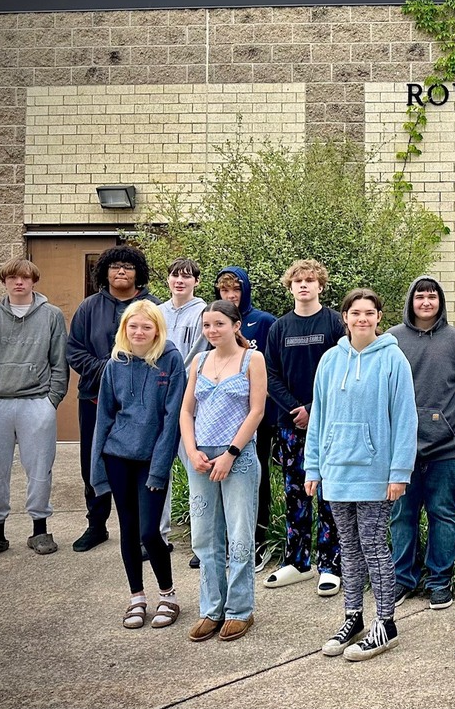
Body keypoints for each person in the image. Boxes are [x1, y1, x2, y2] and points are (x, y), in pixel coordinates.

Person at [305, 289, 417, 661]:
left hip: (375, 473)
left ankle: (386, 623)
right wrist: (313, 466)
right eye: (356, 313)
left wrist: (399, 471)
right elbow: (318, 417)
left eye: (370, 312)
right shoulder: (330, 361)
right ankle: (353, 617)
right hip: (337, 472)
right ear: (345, 318)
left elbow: (404, 418)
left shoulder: (393, 359)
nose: (362, 319)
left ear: (379, 317)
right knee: (348, 549)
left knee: (373, 546)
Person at [89, 300, 186, 630]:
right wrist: (97, 470)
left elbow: (172, 420)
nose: (139, 332)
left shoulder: (170, 361)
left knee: (150, 531)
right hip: (117, 456)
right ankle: (137, 597)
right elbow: (104, 416)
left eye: (146, 326)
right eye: (133, 326)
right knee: (128, 530)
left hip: (151, 459)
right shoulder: (115, 364)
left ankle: (168, 595)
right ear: (124, 329)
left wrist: (160, 467)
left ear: (157, 329)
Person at [388, 276, 455, 610]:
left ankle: (440, 581)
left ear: (441, 302)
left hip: (446, 447)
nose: (426, 302)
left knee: (443, 514)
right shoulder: (392, 340)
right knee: (402, 515)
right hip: (403, 448)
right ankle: (403, 579)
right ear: (410, 301)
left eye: (432, 297)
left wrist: (442, 417)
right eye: (420, 297)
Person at [180, 300, 267, 643]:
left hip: (238, 458)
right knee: (204, 535)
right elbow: (187, 411)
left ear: (236, 325)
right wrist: (191, 451)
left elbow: (257, 411)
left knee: (240, 535)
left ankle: (240, 610)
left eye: (218, 324)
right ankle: (211, 609)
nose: (212, 331)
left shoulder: (252, 360)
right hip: (200, 457)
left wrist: (231, 453)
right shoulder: (199, 361)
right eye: (207, 326)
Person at [0, 258, 68, 561]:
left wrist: (51, 400)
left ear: (33, 282)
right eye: (12, 278)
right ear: (4, 281)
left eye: (25, 278)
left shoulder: (52, 316)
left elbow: (59, 362)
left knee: (40, 470)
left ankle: (39, 529)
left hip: (36, 402)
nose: (19, 283)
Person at [67, 246, 159, 553]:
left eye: (128, 267)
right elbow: (75, 351)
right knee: (93, 461)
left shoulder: (152, 306)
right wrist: (109, 369)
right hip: (94, 399)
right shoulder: (89, 307)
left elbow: (162, 349)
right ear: (104, 271)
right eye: (115, 266)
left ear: (138, 273)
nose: (121, 271)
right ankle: (96, 525)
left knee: (140, 464)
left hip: (140, 404)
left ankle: (144, 531)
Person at [263, 260, 345, 592]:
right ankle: (297, 562)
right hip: (289, 424)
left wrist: (313, 409)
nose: (304, 285)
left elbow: (343, 370)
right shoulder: (279, 328)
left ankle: (331, 563)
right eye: (298, 280)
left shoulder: (336, 323)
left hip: (328, 423)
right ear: (290, 286)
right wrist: (296, 409)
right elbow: (270, 374)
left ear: (321, 286)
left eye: (310, 280)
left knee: (327, 493)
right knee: (296, 492)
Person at [214, 266, 277, 570]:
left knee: (257, 480)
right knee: (225, 481)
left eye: (235, 290)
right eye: (225, 291)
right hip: (226, 420)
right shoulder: (217, 324)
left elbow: (273, 367)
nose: (230, 296)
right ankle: (226, 541)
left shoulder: (263, 322)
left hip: (258, 417)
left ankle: (259, 540)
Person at [157, 257, 207, 555]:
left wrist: (176, 384)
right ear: (168, 280)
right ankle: (159, 538)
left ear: (196, 282)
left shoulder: (203, 312)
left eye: (186, 276)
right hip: (159, 404)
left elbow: (197, 358)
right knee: (159, 472)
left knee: (196, 472)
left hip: (190, 404)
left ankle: (202, 545)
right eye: (175, 275)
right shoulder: (157, 312)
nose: (180, 280)